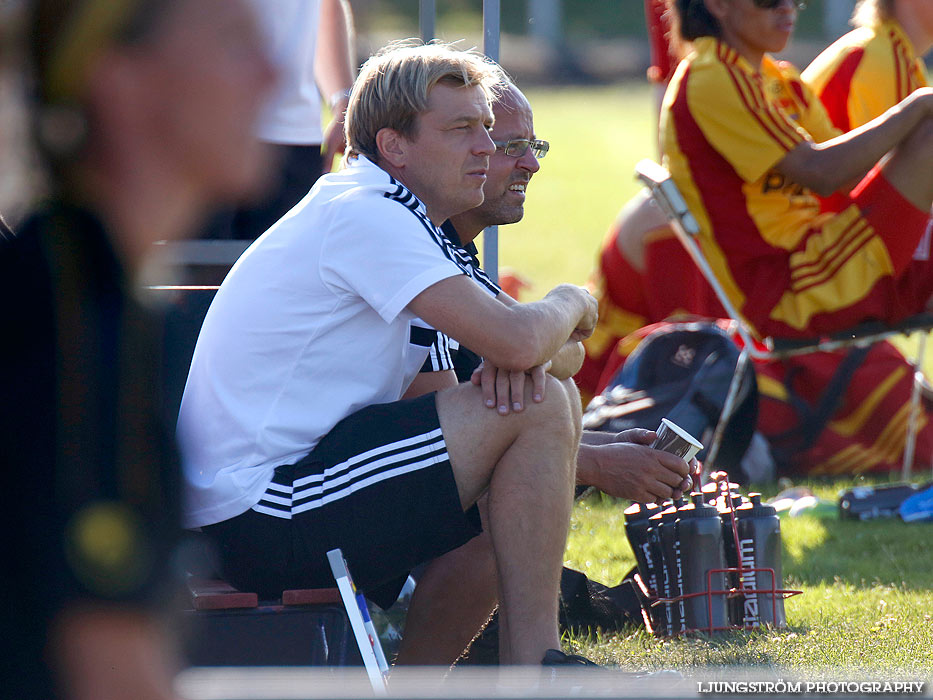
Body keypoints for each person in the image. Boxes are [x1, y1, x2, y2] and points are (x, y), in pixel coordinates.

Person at [178, 40, 603, 667]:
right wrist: (572, 299)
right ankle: (536, 666)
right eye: (461, 129)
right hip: (257, 510)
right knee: (538, 407)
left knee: (539, 411)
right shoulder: (365, 214)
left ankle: (450, 679)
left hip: (286, 492)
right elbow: (521, 341)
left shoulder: (411, 221)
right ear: (393, 146)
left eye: (486, 128)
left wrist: (533, 352)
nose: (487, 147)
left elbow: (518, 359)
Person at [1, 1, 276, 698]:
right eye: (234, 44)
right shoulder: (70, 323)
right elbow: (110, 671)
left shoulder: (80, 286)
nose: (275, 75)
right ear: (114, 76)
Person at [391, 82, 695, 667]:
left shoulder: (450, 255)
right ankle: (510, 668)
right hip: (296, 502)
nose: (529, 162)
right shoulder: (408, 245)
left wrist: (591, 434)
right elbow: (435, 433)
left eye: (534, 145)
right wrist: (569, 307)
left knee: (538, 400)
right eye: (506, 145)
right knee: (499, 501)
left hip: (361, 480)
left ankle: (517, 667)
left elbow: (553, 356)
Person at [661, 0, 933, 342]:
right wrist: (919, 107)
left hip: (822, 259)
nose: (787, 7)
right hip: (787, 294)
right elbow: (820, 173)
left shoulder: (777, 78)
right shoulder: (711, 75)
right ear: (717, 5)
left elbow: (850, 173)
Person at [204, 0, 356, 242]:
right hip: (201, 133)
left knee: (290, 275)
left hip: (294, 139)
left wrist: (342, 99)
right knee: (192, 274)